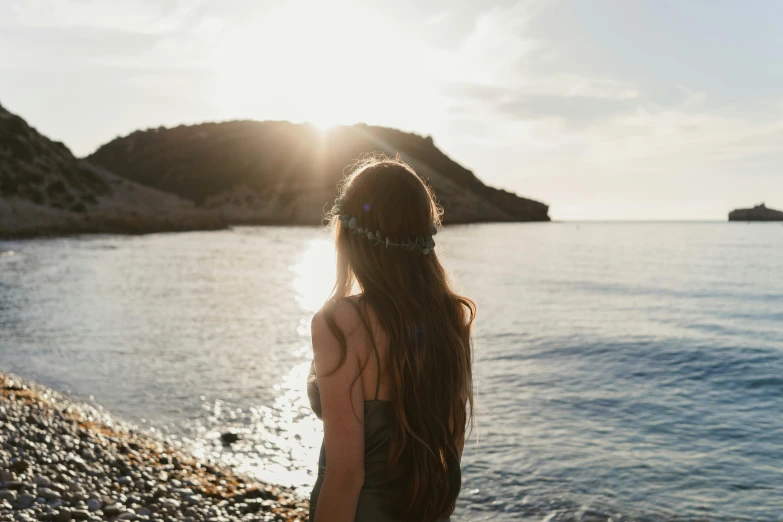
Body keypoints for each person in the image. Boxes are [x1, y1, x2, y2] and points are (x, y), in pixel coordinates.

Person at [307, 156, 476, 522]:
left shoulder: (340, 323)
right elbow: (453, 446)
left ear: (350, 234)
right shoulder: (449, 318)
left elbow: (346, 476)